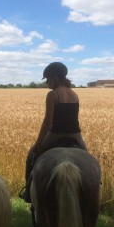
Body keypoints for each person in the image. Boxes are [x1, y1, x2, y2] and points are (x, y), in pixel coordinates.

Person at [19, 62, 87, 202]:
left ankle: (28, 192)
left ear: (56, 78)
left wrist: (38, 144)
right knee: (88, 159)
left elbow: (48, 122)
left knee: (31, 155)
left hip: (56, 134)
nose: (46, 83)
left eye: (48, 79)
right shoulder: (75, 94)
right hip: (76, 136)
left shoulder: (52, 94)